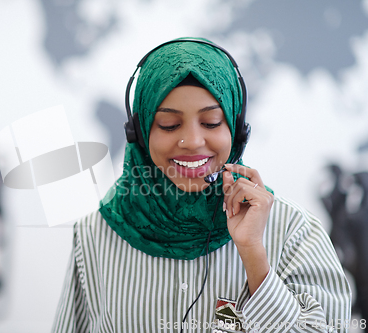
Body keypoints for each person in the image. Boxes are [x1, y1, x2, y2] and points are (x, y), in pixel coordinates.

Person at [51, 38, 351, 333]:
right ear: (139, 133)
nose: (192, 141)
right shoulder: (95, 233)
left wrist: (254, 257)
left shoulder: (293, 231)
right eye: (168, 125)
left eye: (211, 122)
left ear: (237, 128)